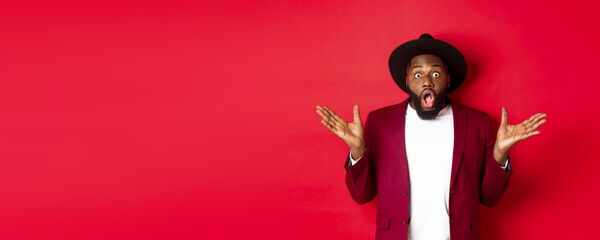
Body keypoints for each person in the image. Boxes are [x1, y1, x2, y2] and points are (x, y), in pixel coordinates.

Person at [315, 33, 547, 240]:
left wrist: (500, 154)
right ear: (406, 81)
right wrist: (357, 151)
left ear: (447, 79)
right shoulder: (380, 122)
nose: (427, 81)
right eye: (418, 74)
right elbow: (362, 195)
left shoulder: (478, 123)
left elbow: (490, 198)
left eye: (435, 72)